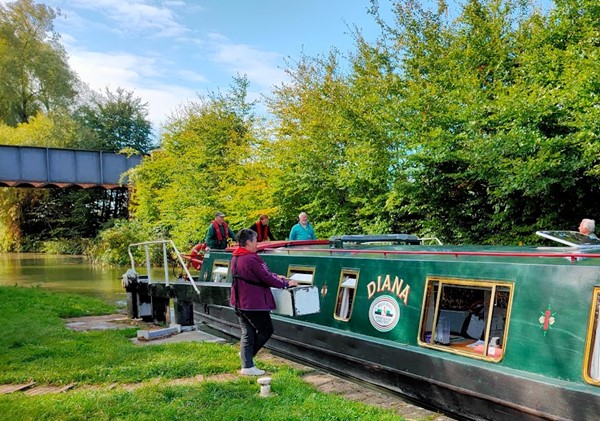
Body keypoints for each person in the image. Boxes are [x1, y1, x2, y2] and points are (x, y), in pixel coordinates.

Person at [230, 229, 298, 375]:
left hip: (238, 301)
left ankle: (247, 363)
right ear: (248, 242)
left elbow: (258, 275)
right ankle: (247, 360)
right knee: (266, 330)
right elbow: (266, 278)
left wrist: (275, 276)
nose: (257, 244)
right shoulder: (251, 258)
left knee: (248, 332)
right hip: (253, 302)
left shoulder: (236, 256)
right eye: (255, 241)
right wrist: (286, 283)